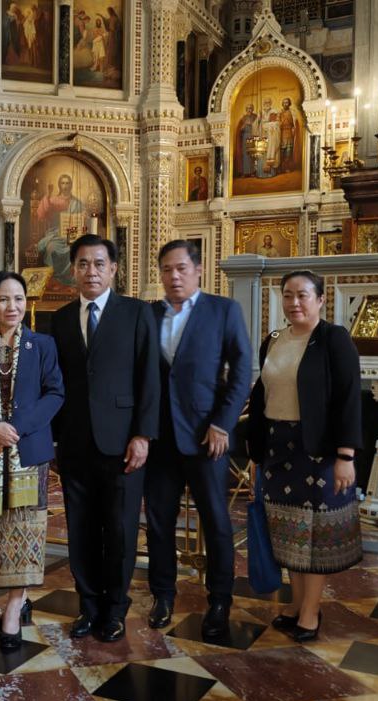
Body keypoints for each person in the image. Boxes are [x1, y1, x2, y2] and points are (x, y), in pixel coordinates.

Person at [51, 234, 159, 642]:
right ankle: (88, 605)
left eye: (99, 263)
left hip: (123, 444)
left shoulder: (136, 313)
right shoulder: (59, 319)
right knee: (79, 528)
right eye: (82, 264)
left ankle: (115, 609)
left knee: (120, 528)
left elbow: (149, 379)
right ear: (73, 270)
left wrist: (143, 435)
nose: (90, 271)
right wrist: (56, 440)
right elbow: (56, 384)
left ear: (114, 268)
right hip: (75, 444)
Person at [244, 270, 363, 643]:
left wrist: (346, 455)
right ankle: (296, 603)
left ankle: (311, 612)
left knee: (314, 537)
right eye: (288, 295)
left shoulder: (333, 339)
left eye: (303, 295)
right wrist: (255, 453)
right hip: (278, 447)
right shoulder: (274, 339)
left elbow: (348, 397)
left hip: (319, 451)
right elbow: (261, 398)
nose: (294, 303)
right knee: (288, 531)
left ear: (321, 299)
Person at [145, 241, 251, 638]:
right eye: (167, 270)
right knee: (158, 522)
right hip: (159, 439)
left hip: (208, 438)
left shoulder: (223, 311)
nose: (174, 276)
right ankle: (162, 595)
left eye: (181, 269)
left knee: (217, 522)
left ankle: (220, 600)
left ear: (198, 270)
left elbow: (241, 370)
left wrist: (223, 423)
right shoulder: (148, 314)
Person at [0, 271, 64, 651]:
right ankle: (16, 599)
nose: (12, 306)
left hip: (28, 454)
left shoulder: (43, 344)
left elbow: (55, 394)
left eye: (18, 298)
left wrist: (13, 428)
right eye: (3, 299)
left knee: (26, 530)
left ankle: (14, 609)